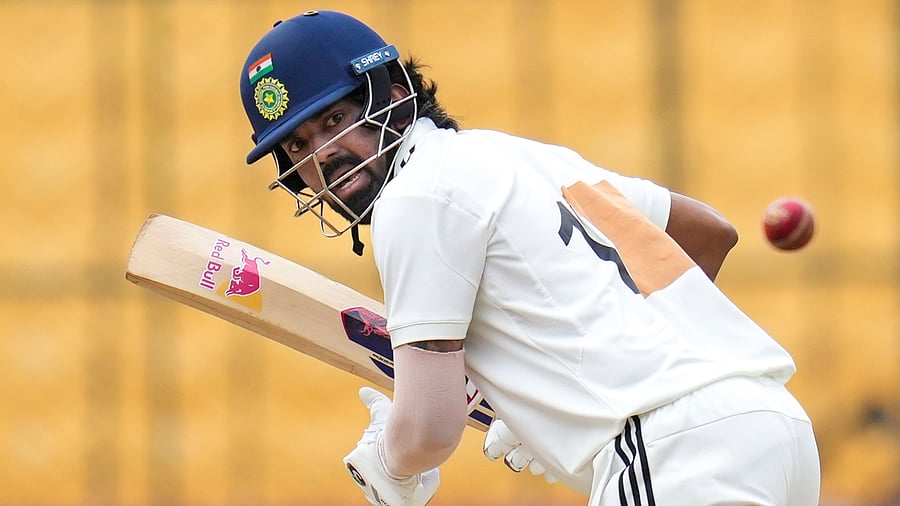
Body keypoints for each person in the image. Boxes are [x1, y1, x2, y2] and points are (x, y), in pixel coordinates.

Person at [239, 10, 821, 506]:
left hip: (676, 449)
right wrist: (562, 387)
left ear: (393, 95)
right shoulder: (522, 158)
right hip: (776, 425)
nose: (324, 156)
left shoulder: (414, 198)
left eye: (335, 121)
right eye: (298, 145)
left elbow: (430, 424)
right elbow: (707, 232)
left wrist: (390, 464)